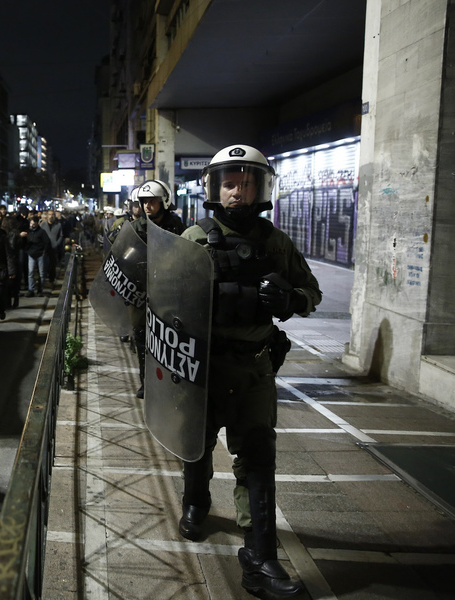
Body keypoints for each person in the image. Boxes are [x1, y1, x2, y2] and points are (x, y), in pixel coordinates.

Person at [176, 145, 321, 599]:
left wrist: (291, 301)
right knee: (196, 447)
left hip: (254, 368)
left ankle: (260, 557)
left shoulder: (275, 242)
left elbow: (310, 290)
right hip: (202, 367)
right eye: (230, 183)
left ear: (261, 187)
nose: (238, 191)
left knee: (258, 460)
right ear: (216, 188)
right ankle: (197, 502)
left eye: (247, 182)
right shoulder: (193, 238)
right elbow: (163, 304)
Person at [129, 180, 186, 398]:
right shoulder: (135, 229)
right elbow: (120, 255)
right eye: (144, 202)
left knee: (170, 342)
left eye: (152, 201)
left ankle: (172, 383)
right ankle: (147, 383)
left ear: (164, 201)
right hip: (142, 294)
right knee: (143, 341)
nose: (147, 206)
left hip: (170, 294)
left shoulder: (179, 227)